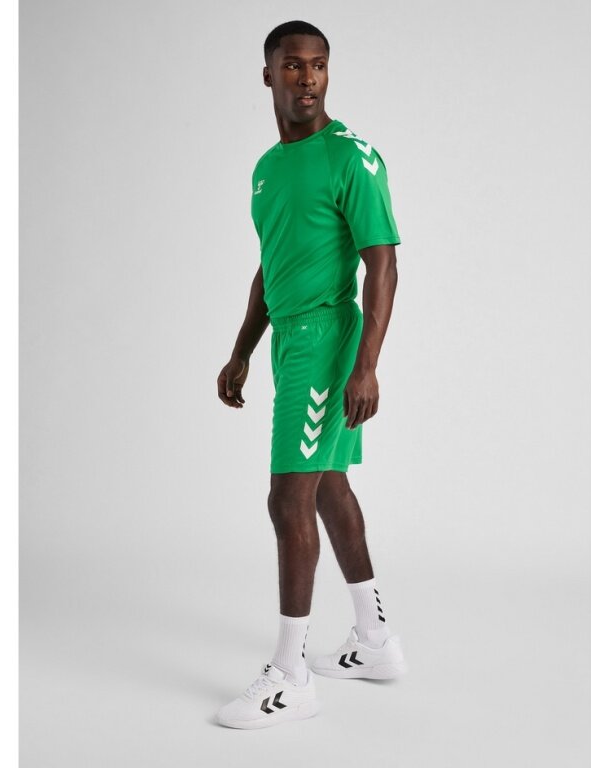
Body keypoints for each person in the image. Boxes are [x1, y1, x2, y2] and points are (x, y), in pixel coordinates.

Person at [214, 20, 407, 730]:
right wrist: (241, 349)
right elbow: (271, 265)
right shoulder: (267, 168)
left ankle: (291, 677)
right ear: (268, 74)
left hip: (328, 340)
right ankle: (375, 640)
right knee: (326, 486)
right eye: (293, 65)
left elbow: (383, 262)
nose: (307, 78)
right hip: (288, 342)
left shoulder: (351, 156)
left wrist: (366, 366)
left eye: (318, 65)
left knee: (286, 499)